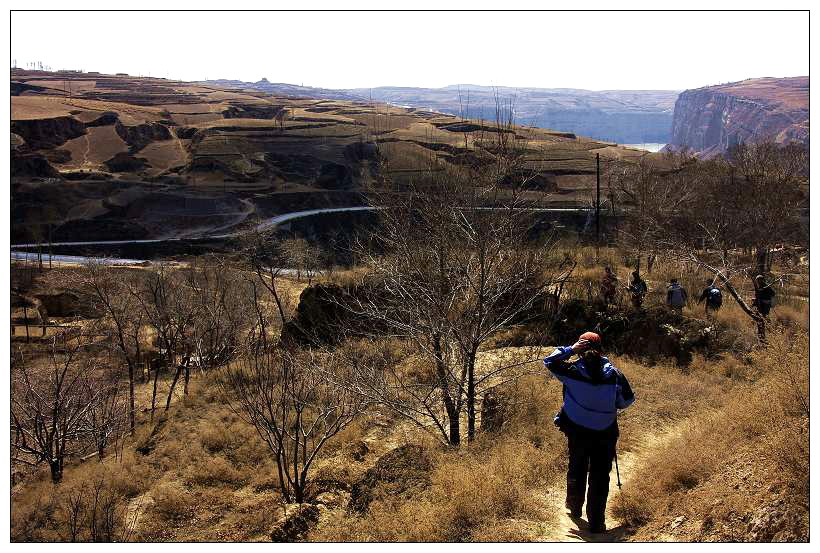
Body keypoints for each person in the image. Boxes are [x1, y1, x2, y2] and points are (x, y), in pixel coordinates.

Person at [543, 332, 635, 534]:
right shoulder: (615, 375)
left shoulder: (571, 370)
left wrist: (570, 349)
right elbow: (626, 401)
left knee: (577, 465)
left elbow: (548, 361)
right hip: (605, 432)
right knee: (600, 475)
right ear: (601, 349)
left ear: (580, 348)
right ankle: (597, 522)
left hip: (577, 430)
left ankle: (574, 507)